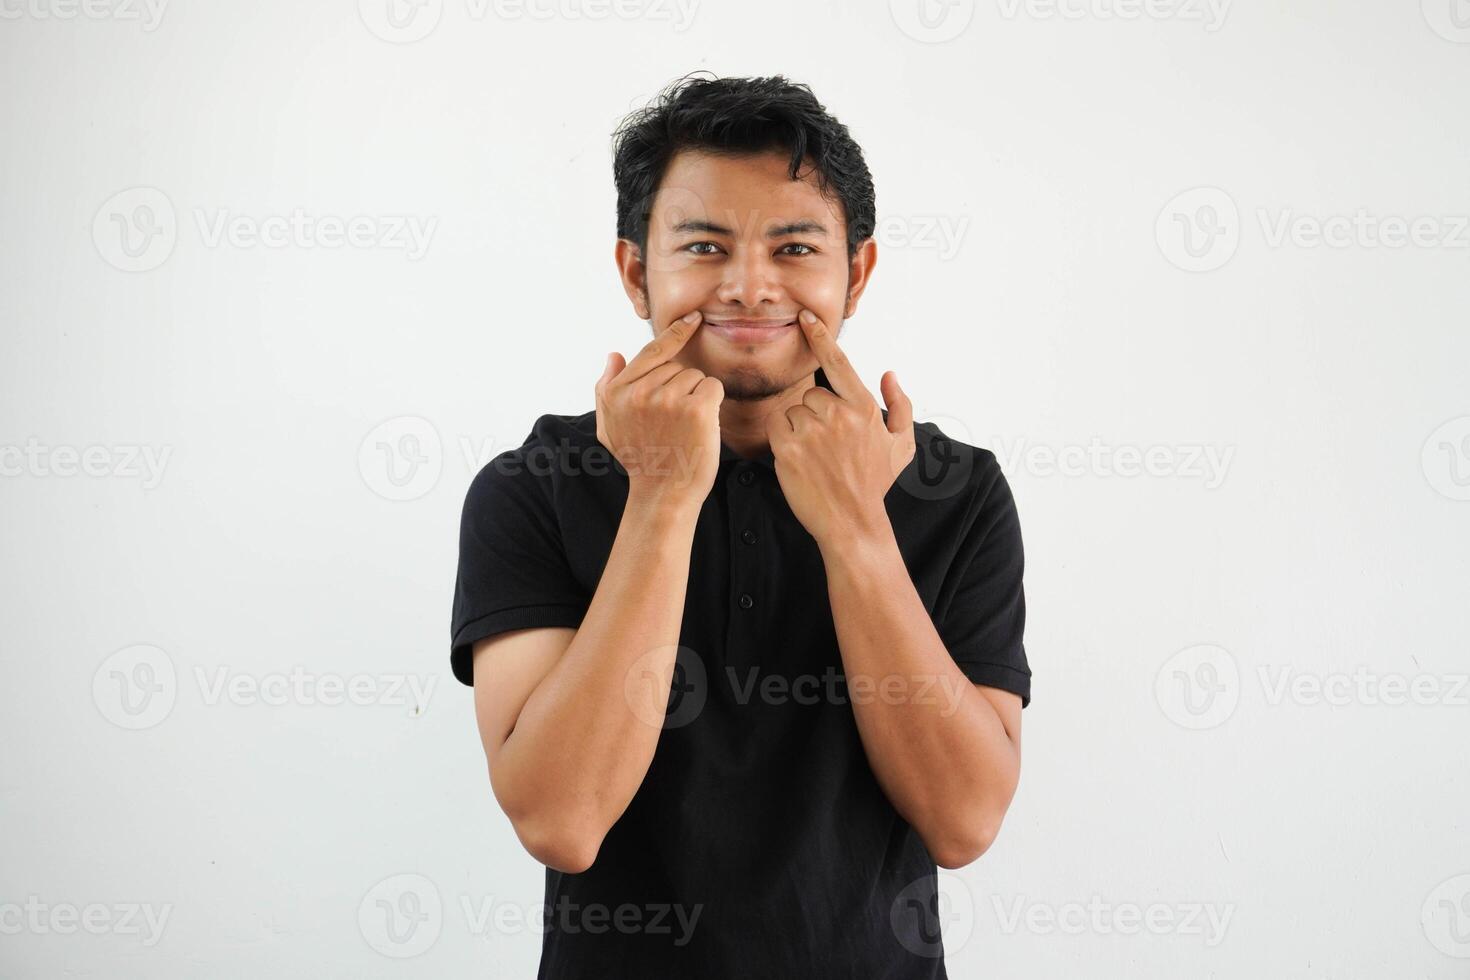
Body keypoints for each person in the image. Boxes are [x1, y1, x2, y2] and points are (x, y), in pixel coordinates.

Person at [450, 73, 1031, 979]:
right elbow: (559, 822)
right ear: (637, 271)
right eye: (704, 247)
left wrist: (856, 532)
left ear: (858, 273)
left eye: (795, 247)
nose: (749, 288)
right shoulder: (531, 487)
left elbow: (964, 823)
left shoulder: (957, 492)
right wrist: (662, 498)